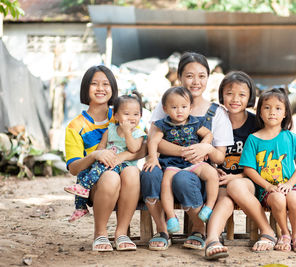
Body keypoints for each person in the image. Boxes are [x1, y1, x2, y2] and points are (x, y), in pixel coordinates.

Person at [141, 52, 234, 251]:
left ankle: (199, 229)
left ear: (208, 78)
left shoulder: (217, 113)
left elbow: (219, 156)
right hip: (169, 164)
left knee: (183, 179)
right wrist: (186, 151)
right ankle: (162, 230)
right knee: (150, 174)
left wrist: (206, 147)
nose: (196, 81)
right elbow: (154, 139)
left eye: (201, 76)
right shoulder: (166, 104)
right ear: (180, 77)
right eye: (189, 76)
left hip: (197, 170)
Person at [65, 65, 145, 252]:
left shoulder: (123, 113)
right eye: (94, 84)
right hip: (96, 183)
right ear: (85, 88)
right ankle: (100, 233)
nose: (100, 88)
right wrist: (95, 155)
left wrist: (120, 157)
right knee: (110, 177)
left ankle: (121, 233)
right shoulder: (75, 126)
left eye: (105, 84)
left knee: (133, 172)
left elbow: (142, 148)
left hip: (126, 179)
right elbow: (74, 168)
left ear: (113, 88)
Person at [204, 71, 273, 259]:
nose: (235, 99)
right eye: (229, 93)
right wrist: (211, 170)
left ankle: (267, 230)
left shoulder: (256, 124)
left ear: (250, 97)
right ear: (221, 95)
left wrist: (238, 176)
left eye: (242, 94)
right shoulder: (215, 119)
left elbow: (264, 162)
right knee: (226, 198)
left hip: (248, 180)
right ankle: (212, 240)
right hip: (218, 182)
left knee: (234, 186)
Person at [238, 88, 296, 253]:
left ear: (285, 113)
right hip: (266, 190)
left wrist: (290, 184)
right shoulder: (253, 139)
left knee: (294, 198)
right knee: (278, 198)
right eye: (267, 107)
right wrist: (268, 186)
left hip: (291, 185)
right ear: (260, 112)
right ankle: (284, 233)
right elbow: (249, 169)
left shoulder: (291, 137)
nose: (272, 112)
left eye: (278, 108)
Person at [143, 86, 219, 234]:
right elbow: (153, 141)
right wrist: (152, 158)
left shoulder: (194, 123)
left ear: (190, 108)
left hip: (193, 162)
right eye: (174, 107)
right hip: (172, 163)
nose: (179, 111)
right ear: (165, 109)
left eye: (184, 107)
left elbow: (208, 134)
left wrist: (203, 146)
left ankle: (209, 206)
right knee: (166, 182)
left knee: (211, 173)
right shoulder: (162, 125)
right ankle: (171, 217)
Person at [64, 92, 146, 224]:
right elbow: (101, 146)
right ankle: (80, 207)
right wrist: (99, 155)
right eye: (126, 114)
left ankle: (85, 187)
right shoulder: (110, 129)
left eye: (136, 114)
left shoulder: (138, 133)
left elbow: (134, 148)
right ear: (116, 116)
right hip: (107, 163)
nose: (131, 118)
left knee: (98, 173)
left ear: (140, 116)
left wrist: (127, 132)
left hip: (124, 166)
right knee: (83, 174)